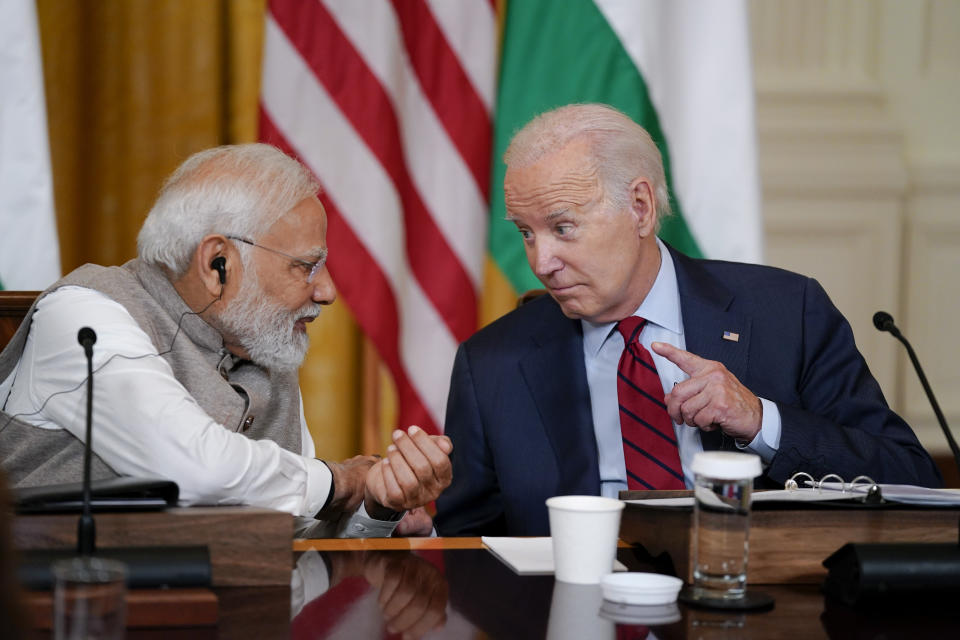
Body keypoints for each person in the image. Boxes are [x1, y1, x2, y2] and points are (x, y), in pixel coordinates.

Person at [434, 104, 941, 536]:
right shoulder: (493, 362)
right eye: (526, 233)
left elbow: (911, 481)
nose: (541, 261)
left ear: (640, 207)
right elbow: (468, 543)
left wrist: (762, 421)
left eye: (563, 228)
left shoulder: (788, 313)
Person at [0, 144, 450, 537]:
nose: (327, 291)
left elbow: (294, 528)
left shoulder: (260, 343)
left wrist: (378, 507)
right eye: (306, 266)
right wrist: (345, 481)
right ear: (219, 262)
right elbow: (197, 470)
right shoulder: (84, 316)